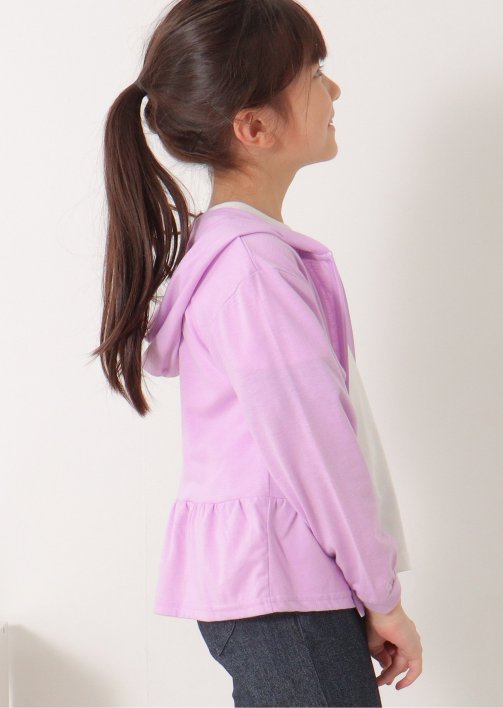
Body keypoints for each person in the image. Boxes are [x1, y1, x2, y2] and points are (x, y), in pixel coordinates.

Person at [92, 0, 422, 705]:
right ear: (254, 127)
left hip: (283, 592)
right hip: (286, 599)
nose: (334, 90)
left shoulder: (246, 260)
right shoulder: (254, 274)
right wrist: (382, 595)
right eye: (315, 75)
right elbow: (320, 452)